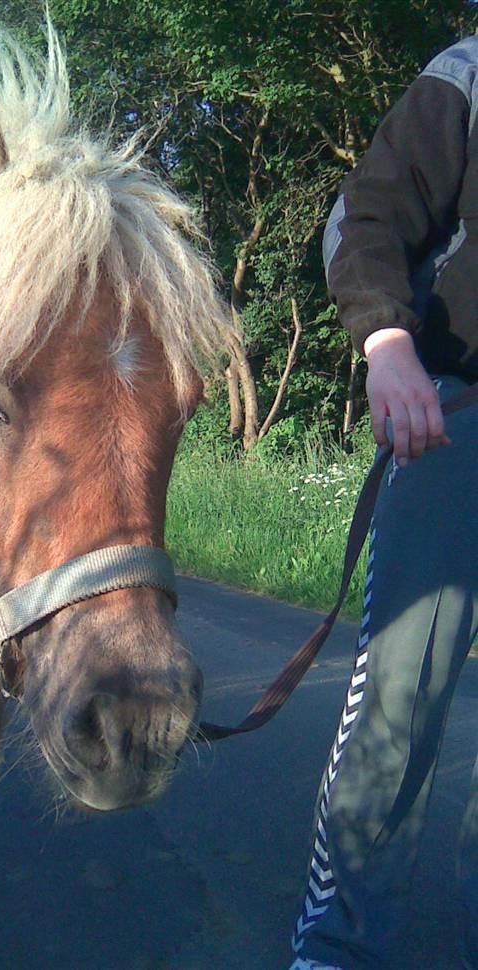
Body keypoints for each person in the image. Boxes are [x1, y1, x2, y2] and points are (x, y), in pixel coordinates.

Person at [288, 36, 478, 970]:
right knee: (400, 699)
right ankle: (339, 950)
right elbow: (365, 216)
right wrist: (387, 341)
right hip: (455, 418)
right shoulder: (469, 75)